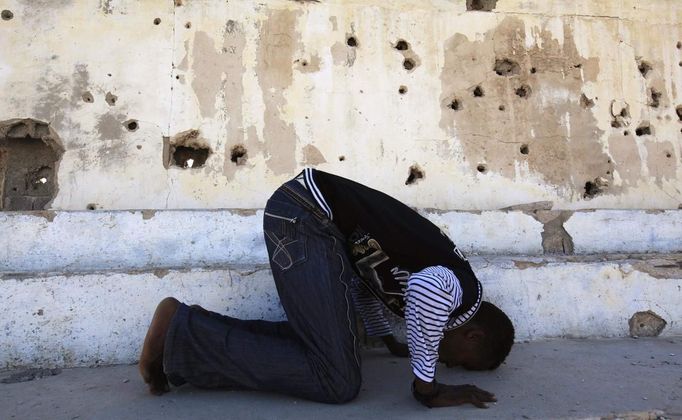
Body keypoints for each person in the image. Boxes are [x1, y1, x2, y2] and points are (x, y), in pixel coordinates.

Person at [139, 168, 514, 408]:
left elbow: (371, 283)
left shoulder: (451, 289)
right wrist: (427, 386)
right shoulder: (459, 290)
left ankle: (187, 330)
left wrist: (388, 340)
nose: (448, 365)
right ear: (473, 336)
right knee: (338, 381)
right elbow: (427, 292)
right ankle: (182, 335)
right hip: (307, 217)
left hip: (308, 217)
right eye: (459, 362)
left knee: (333, 350)